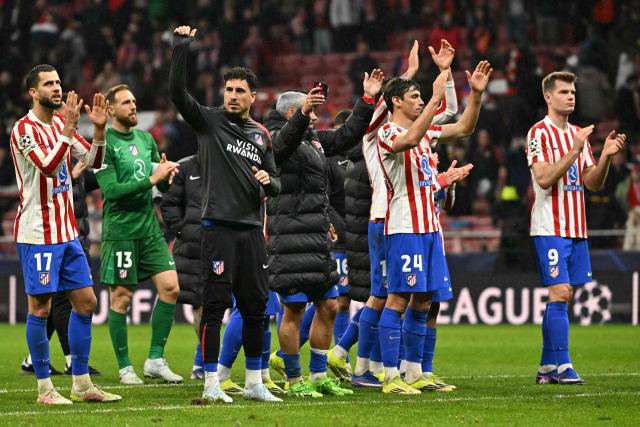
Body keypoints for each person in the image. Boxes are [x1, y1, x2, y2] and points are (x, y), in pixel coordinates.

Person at [329, 40, 459, 388]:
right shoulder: (379, 128)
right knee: (384, 296)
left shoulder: (396, 126)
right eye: (408, 95)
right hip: (388, 221)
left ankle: (359, 362)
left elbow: (447, 118)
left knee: (388, 295)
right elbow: (394, 106)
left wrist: (444, 75)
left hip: (398, 221)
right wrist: (411, 76)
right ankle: (360, 363)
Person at [170, 25, 282, 404]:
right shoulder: (209, 122)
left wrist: (269, 181)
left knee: (255, 309)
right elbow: (176, 93)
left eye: (239, 91)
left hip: (252, 231)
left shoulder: (262, 135)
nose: (232, 96)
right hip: (217, 229)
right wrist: (181, 48)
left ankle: (253, 382)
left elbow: (277, 185)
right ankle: (211, 383)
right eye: (228, 90)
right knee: (214, 309)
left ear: (253, 96)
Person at [263, 70, 383, 397]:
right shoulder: (272, 135)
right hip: (288, 236)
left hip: (316, 236)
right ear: (292, 112)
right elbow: (281, 146)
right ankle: (293, 379)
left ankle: (318, 377)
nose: (315, 117)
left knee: (329, 305)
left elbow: (346, 136)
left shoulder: (312, 139)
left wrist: (367, 99)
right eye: (309, 111)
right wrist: (303, 116)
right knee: (294, 309)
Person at [377, 60, 492, 395]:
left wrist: (477, 95)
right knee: (398, 299)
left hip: (430, 227)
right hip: (404, 226)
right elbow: (409, 140)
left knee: (424, 301)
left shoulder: (425, 133)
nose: (418, 100)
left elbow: (464, 128)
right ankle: (389, 377)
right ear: (396, 101)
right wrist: (434, 99)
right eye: (414, 96)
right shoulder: (388, 131)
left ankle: (413, 373)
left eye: (420, 97)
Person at [10, 64, 120, 404]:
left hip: (67, 230)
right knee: (40, 308)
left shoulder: (59, 124)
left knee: (86, 302)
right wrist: (69, 129)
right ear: (33, 92)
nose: (56, 88)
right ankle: (44, 388)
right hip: (38, 233)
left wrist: (99, 131)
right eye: (48, 84)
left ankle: (82, 383)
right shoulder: (22, 130)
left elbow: (93, 160)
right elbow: (47, 166)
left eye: (58, 82)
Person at [527, 71, 625, 384]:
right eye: (564, 92)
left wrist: (605, 158)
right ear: (548, 96)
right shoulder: (538, 133)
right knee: (560, 291)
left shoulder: (578, 134)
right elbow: (543, 178)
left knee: (564, 296)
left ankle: (546, 368)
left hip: (576, 227)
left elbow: (592, 182)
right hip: (549, 225)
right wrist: (574, 149)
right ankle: (563, 366)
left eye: (572, 92)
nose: (571, 96)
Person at [96, 84, 182, 385]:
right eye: (126, 102)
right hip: (121, 232)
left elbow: (159, 184)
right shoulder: (103, 143)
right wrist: (151, 179)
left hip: (149, 229)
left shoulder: (146, 139)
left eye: (134, 101)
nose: (133, 106)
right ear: (110, 109)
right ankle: (124, 367)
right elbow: (110, 191)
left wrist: (166, 179)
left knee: (171, 288)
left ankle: (155, 359)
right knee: (121, 298)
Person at [21, 159, 102, 377]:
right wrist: (71, 178)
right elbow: (37, 190)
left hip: (75, 238)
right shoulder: (44, 158)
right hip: (50, 238)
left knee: (75, 301)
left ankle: (32, 360)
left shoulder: (76, 161)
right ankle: (68, 362)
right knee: (55, 303)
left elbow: (101, 172)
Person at [159, 154, 205, 380]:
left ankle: (208, 361)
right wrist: (183, 231)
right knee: (200, 303)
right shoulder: (186, 168)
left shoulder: (229, 162)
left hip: (227, 243)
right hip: (193, 250)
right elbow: (168, 203)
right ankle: (205, 362)